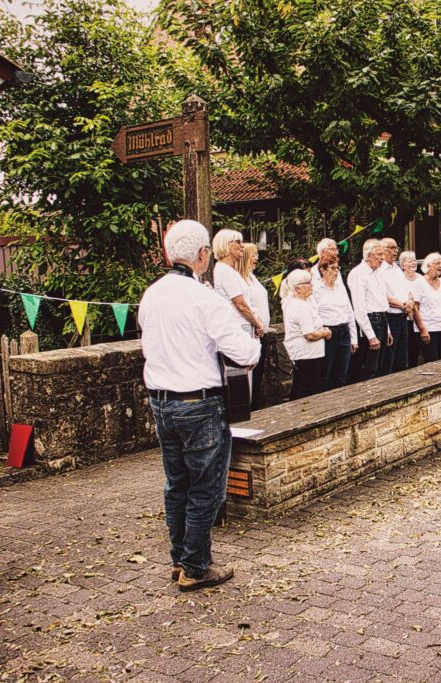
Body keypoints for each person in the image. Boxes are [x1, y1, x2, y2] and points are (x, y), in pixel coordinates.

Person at [138, 219, 261, 592]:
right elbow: (244, 352)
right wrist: (255, 342)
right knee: (206, 488)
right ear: (203, 255)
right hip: (199, 403)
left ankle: (180, 560)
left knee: (177, 484)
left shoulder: (151, 294)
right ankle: (195, 565)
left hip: (161, 402)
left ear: (167, 253)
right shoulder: (204, 298)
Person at [281, 269, 331, 399]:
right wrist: (325, 332)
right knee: (307, 389)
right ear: (298, 288)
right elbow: (309, 334)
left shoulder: (299, 303)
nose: (312, 285)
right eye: (308, 283)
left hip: (307, 354)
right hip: (307, 354)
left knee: (301, 386)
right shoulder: (300, 306)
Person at [347, 238, 391, 382]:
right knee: (369, 366)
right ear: (368, 255)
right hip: (371, 321)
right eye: (379, 254)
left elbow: (382, 302)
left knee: (380, 365)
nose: (382, 258)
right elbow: (359, 309)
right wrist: (371, 336)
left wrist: (388, 330)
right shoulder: (358, 274)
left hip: (382, 319)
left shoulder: (378, 273)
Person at [313, 252, 358, 390]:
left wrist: (354, 338)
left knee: (342, 372)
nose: (336, 272)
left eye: (337, 268)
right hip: (328, 333)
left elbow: (349, 311)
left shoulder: (339, 287)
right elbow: (314, 314)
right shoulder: (316, 289)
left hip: (344, 331)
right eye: (332, 268)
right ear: (323, 270)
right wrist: (322, 331)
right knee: (325, 372)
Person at [212, 229, 265, 339]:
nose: (242, 246)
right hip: (238, 326)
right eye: (238, 242)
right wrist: (257, 323)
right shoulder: (225, 271)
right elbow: (241, 305)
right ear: (227, 245)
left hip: (242, 325)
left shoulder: (230, 270)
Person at [239, 243, 270, 409]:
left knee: (257, 378)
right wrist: (257, 323)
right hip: (252, 333)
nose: (257, 258)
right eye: (254, 254)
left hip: (262, 333)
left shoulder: (252, 277)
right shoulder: (241, 280)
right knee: (250, 378)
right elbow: (246, 306)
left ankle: (256, 407)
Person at [379, 237, 415, 375]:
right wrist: (402, 305)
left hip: (403, 317)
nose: (396, 251)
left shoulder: (397, 268)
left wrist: (410, 301)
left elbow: (407, 289)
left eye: (396, 248)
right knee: (389, 356)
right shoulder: (380, 270)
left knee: (402, 356)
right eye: (392, 248)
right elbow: (382, 295)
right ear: (382, 249)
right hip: (390, 317)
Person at [417, 252, 441, 363]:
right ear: (428, 265)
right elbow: (415, 308)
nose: (440, 266)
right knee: (431, 361)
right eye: (437, 263)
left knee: (440, 360)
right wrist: (423, 329)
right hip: (428, 329)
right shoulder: (420, 282)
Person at [397, 250, 425, 369]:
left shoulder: (421, 278)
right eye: (409, 261)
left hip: (422, 318)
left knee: (417, 350)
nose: (413, 263)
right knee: (406, 350)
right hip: (406, 319)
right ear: (402, 265)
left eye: (414, 260)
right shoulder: (399, 279)